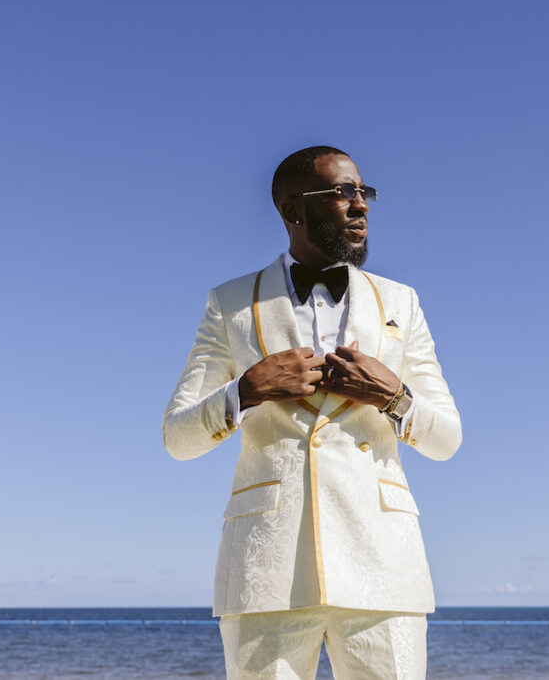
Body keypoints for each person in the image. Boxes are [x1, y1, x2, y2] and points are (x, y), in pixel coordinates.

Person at [163, 146, 462, 679]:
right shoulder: (230, 303)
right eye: (341, 193)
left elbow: (447, 439)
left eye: (363, 193)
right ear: (292, 211)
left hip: (383, 564)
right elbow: (177, 437)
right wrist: (246, 390)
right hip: (266, 568)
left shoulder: (402, 303)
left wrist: (393, 396)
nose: (360, 206)